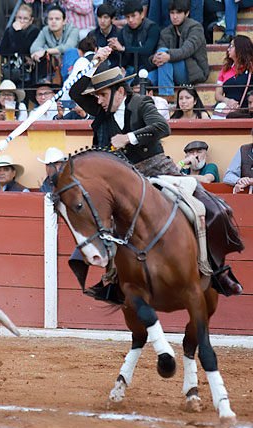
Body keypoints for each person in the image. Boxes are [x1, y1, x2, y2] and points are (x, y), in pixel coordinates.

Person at [69, 45, 244, 297]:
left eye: (102, 94)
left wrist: (128, 138)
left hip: (156, 167)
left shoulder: (141, 103)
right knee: (99, 218)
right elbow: (75, 91)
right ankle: (113, 281)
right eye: (96, 96)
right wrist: (94, 62)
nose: (98, 100)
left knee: (206, 207)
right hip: (124, 179)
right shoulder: (101, 108)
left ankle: (217, 270)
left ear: (120, 91)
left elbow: (163, 127)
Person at [147, 0, 209, 96]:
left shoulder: (196, 28)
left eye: (178, 13)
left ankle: (167, 95)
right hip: (169, 71)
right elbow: (160, 52)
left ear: (187, 13)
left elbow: (186, 51)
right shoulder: (166, 31)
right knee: (145, 80)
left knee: (164, 55)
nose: (175, 17)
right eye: (172, 13)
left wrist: (168, 56)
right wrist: (154, 59)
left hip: (192, 72)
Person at [30, 5, 80, 84]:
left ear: (64, 21)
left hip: (71, 68)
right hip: (53, 68)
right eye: (51, 19)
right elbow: (33, 48)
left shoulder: (73, 29)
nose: (53, 21)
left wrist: (46, 51)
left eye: (57, 19)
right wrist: (44, 52)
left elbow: (69, 47)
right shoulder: (45, 30)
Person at [107, 0, 160, 76]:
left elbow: (147, 49)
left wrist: (124, 49)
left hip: (149, 68)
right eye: (127, 17)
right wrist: (113, 45)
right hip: (130, 68)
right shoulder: (125, 30)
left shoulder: (152, 27)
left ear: (142, 15)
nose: (130, 20)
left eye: (133, 16)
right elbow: (118, 45)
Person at [0, 4, 40, 92]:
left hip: (28, 72)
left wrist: (18, 32)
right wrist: (18, 53)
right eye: (19, 18)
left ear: (31, 20)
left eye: (25, 19)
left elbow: (25, 50)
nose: (21, 21)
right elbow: (3, 51)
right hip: (11, 70)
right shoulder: (9, 30)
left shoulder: (35, 32)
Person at [213, 35, 253, 118]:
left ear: (240, 48)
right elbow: (217, 95)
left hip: (247, 113)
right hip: (229, 111)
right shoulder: (226, 68)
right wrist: (228, 101)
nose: (228, 49)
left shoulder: (251, 69)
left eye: (232, 46)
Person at [87, 3, 121, 68]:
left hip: (117, 68)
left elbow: (128, 57)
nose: (102, 21)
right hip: (98, 69)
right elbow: (88, 56)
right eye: (99, 17)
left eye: (106, 17)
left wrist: (119, 48)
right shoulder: (92, 35)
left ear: (113, 19)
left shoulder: (120, 33)